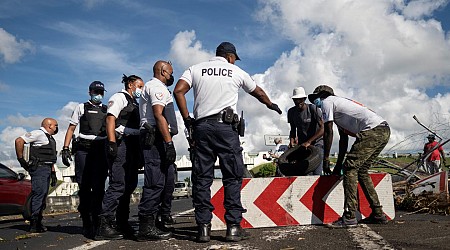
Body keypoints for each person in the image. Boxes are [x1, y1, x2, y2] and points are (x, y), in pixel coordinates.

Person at [174, 42, 282, 242]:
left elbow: (178, 91)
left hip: (202, 128)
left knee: (202, 179)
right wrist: (270, 104)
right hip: (226, 129)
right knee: (232, 177)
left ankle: (203, 229)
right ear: (230, 56)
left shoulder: (195, 69)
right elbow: (257, 91)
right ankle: (233, 227)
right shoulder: (236, 71)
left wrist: (187, 118)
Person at [307, 85, 390, 228]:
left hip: (372, 131)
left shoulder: (327, 102)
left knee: (350, 169)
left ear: (321, 96)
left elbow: (328, 132)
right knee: (361, 170)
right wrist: (338, 166)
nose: (316, 104)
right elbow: (343, 141)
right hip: (383, 130)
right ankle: (378, 213)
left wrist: (326, 159)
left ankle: (350, 216)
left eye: (316, 100)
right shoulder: (340, 108)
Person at [95, 75, 144, 240]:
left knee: (129, 185)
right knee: (117, 184)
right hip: (120, 144)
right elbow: (110, 119)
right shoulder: (119, 97)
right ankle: (104, 224)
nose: (141, 90)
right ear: (131, 84)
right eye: (140, 86)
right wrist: (111, 143)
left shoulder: (135, 103)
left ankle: (122, 222)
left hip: (132, 147)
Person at [136, 61, 178, 241]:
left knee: (167, 180)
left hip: (159, 137)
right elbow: (158, 114)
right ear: (163, 71)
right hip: (155, 138)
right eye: (171, 73)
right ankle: (146, 228)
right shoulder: (155, 87)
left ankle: (157, 220)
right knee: (154, 182)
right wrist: (168, 143)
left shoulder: (159, 88)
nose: (172, 76)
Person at [61, 81, 108, 238]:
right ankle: (86, 222)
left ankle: (98, 221)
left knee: (99, 188)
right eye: (96, 92)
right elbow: (71, 128)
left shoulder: (106, 109)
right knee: (85, 187)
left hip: (101, 149)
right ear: (90, 92)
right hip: (84, 150)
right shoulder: (81, 107)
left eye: (101, 92)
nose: (98, 95)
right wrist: (65, 148)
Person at [15, 118, 59, 233]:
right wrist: (21, 159)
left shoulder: (50, 138)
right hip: (39, 168)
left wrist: (53, 172)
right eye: (55, 125)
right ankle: (34, 223)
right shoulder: (38, 134)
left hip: (47, 168)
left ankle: (38, 221)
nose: (56, 128)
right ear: (49, 126)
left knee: (43, 195)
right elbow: (19, 141)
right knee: (39, 194)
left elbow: (49, 157)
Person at [287, 86, 324, 175]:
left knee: (317, 173)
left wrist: (309, 141)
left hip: (317, 144)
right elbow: (293, 130)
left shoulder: (313, 109)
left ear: (304, 98)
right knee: (306, 173)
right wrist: (292, 141)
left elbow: (323, 128)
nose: (298, 102)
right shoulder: (291, 112)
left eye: (300, 99)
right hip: (302, 145)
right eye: (295, 99)